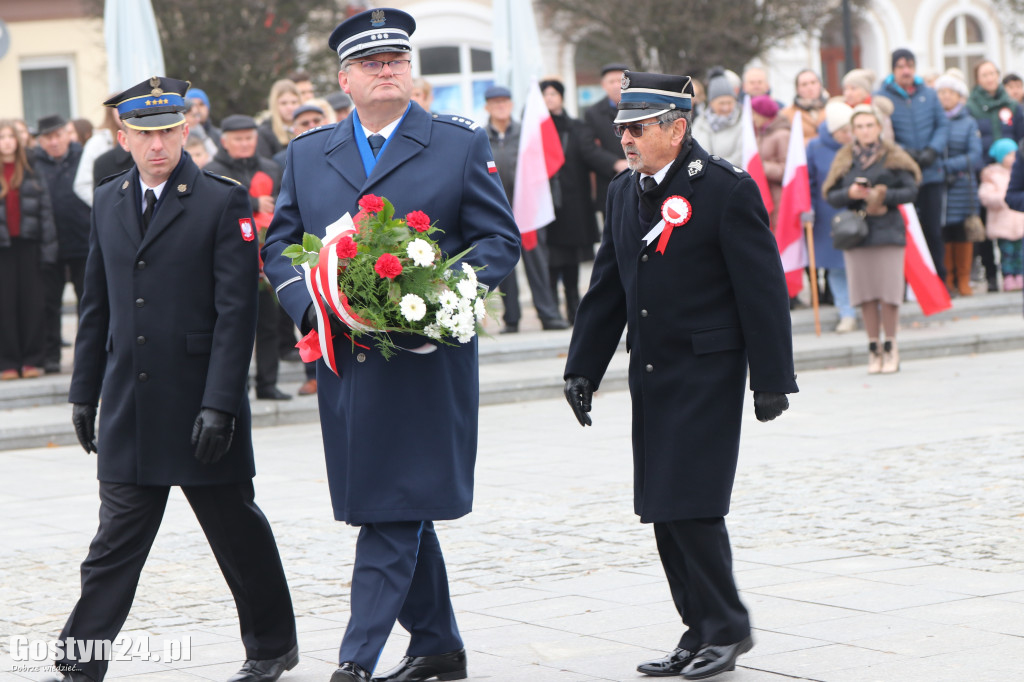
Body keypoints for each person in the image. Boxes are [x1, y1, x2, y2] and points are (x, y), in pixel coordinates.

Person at [261, 9, 520, 682]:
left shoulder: (456, 144)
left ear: (411, 72)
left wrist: (444, 293)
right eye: (372, 64)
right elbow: (281, 245)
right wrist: (308, 307)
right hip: (348, 361)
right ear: (344, 79)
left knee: (392, 508)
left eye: (397, 60)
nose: (386, 71)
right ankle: (437, 645)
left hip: (425, 363)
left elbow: (499, 240)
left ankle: (355, 660)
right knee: (394, 502)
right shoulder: (308, 152)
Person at [48, 76, 298, 682]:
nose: (157, 145)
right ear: (122, 137)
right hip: (131, 402)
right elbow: (96, 306)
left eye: (168, 131)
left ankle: (271, 647)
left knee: (237, 533)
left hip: (199, 404)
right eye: (144, 134)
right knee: (113, 546)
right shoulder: (108, 200)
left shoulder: (219, 199)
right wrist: (85, 392)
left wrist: (221, 404)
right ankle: (79, 661)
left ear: (185, 131)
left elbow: (237, 311)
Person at [563, 70, 797, 680]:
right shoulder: (623, 193)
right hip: (652, 373)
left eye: (637, 128)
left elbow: (763, 290)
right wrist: (583, 366)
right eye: (621, 129)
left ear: (677, 127)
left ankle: (728, 626)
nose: (626, 139)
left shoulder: (723, 189)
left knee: (693, 504)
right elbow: (607, 288)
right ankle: (698, 627)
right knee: (664, 508)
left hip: (708, 371)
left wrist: (771, 378)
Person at [824, 104, 921, 374]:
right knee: (865, 293)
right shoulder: (845, 158)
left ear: (879, 127)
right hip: (857, 234)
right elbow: (830, 195)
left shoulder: (893, 155)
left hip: (888, 230)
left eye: (869, 125)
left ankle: (891, 346)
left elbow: (912, 190)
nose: (865, 131)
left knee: (889, 293)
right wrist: (851, 194)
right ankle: (873, 348)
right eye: (859, 127)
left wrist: (882, 195)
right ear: (852, 131)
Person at [204, 114, 290, 401]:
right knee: (232, 329)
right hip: (229, 264)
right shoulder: (212, 170)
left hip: (264, 265)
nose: (244, 144)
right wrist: (252, 204)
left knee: (268, 325)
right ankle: (232, 387)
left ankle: (268, 384)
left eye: (249, 138)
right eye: (238, 139)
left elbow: (282, 201)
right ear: (225, 141)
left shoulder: (270, 167)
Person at [483, 85, 569, 333]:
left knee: (538, 264)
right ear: (487, 107)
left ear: (511, 104)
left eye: (505, 101)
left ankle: (549, 315)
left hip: (529, 209)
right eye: (495, 102)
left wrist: (551, 200)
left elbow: (544, 167)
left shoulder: (526, 132)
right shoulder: (480, 136)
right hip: (498, 213)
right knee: (505, 265)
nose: (501, 106)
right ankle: (512, 318)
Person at [540, 78, 623, 324]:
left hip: (573, 203)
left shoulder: (577, 126)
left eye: (554, 94)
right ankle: (550, 311)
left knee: (571, 260)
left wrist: (612, 164)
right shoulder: (534, 129)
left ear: (562, 97)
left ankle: (574, 311)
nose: (550, 98)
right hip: (546, 203)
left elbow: (590, 153)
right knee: (550, 259)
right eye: (545, 95)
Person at [875, 48, 949, 281]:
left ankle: (938, 280)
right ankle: (908, 284)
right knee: (905, 231)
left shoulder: (929, 93)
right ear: (893, 69)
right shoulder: (883, 96)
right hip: (902, 174)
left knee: (933, 231)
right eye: (900, 66)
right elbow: (884, 132)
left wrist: (932, 150)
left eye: (909, 66)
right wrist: (907, 153)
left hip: (931, 171)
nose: (906, 71)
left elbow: (942, 126)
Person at [31, 114, 92, 374]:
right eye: (48, 138)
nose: (54, 142)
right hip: (49, 244)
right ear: (40, 141)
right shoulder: (33, 163)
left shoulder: (84, 158)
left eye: (58, 136)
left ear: (68, 134)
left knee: (87, 302)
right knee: (49, 302)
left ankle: (87, 356)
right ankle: (51, 355)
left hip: (82, 240)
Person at [0, 119, 57, 380]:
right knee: (5, 305)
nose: (7, 142)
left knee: (33, 304)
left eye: (10, 136)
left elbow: (45, 212)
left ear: (18, 140)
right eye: (2, 137)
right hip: (4, 249)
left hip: (29, 245)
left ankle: (32, 360)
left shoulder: (32, 169)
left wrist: (48, 249)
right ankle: (8, 362)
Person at [967, 60, 1024, 292]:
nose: (990, 78)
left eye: (993, 73)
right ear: (977, 79)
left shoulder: (1011, 105)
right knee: (988, 224)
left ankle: (1017, 272)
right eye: (984, 74)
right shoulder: (971, 106)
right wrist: (982, 166)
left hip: (1013, 166)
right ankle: (992, 274)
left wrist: (1017, 159)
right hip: (987, 170)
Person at [806, 100, 858, 331]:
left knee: (861, 264)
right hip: (828, 213)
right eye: (843, 131)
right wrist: (808, 209)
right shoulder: (815, 147)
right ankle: (846, 312)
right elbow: (808, 181)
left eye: (851, 130)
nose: (849, 135)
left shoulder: (859, 145)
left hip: (857, 210)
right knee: (836, 267)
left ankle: (867, 308)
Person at [934, 71, 983, 297]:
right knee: (944, 231)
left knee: (961, 232)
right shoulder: (934, 120)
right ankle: (949, 278)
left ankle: (964, 279)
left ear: (959, 96)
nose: (945, 97)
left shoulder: (968, 122)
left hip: (962, 185)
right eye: (941, 92)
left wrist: (947, 166)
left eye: (949, 92)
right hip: (940, 185)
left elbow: (974, 155)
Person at [584, 62, 630, 211]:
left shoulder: (642, 108)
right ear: (604, 85)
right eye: (612, 81)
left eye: (621, 81)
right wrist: (615, 163)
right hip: (609, 181)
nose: (617, 85)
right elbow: (588, 147)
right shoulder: (593, 113)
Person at [981, 138, 1024, 290]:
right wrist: (1000, 198)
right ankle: (1008, 278)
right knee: (1006, 254)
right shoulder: (992, 174)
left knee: (1020, 254)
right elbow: (986, 195)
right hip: (1003, 224)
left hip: (1019, 224)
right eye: (1008, 155)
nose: (1012, 158)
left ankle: (1020, 276)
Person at [691, 71, 743, 165]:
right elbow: (695, 152)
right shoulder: (701, 123)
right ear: (711, 103)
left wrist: (716, 168)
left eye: (729, 103)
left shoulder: (742, 122)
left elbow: (741, 156)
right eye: (721, 103)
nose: (725, 107)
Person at [73, 104, 120, 206]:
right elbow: (82, 184)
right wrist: (105, 205)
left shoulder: (139, 136)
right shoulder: (98, 142)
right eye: (118, 109)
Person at [257, 79, 300, 159]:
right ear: (275, 104)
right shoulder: (265, 132)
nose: (290, 108)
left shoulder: (309, 124)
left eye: (294, 102)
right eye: (284, 103)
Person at [780, 69, 828, 141]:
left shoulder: (832, 108)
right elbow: (786, 140)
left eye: (813, 82)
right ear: (797, 89)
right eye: (804, 84)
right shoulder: (786, 114)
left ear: (820, 85)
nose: (810, 87)